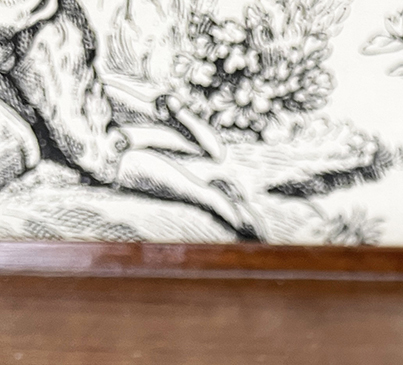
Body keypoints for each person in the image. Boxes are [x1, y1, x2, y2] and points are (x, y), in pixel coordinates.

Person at [0, 0, 263, 238]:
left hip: (37, 31)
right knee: (75, 116)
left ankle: (214, 199)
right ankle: (158, 110)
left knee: (98, 158)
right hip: (27, 33)